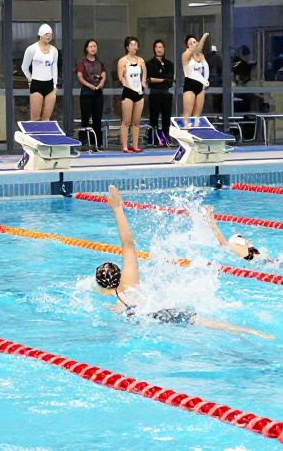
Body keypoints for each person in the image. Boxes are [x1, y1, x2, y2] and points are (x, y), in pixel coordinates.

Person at [91, 186, 273, 338]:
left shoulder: (114, 303)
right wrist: (117, 208)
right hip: (164, 308)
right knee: (203, 322)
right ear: (120, 274)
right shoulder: (130, 282)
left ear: (101, 286)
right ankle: (249, 331)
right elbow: (128, 244)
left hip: (148, 317)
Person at [21, 24, 59, 122]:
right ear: (40, 35)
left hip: (50, 85)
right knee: (35, 118)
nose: (49, 36)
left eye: (50, 34)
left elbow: (54, 67)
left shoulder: (54, 50)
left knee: (46, 119)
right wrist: (30, 78)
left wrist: (55, 85)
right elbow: (24, 67)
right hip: (36, 85)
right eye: (46, 34)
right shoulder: (32, 49)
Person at [76, 38, 107, 152]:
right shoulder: (82, 62)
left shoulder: (100, 63)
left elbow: (103, 76)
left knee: (97, 118)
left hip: (98, 93)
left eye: (94, 46)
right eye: (90, 46)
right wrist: (90, 86)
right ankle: (83, 142)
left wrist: (101, 84)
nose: (93, 48)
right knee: (85, 118)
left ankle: (97, 143)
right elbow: (80, 77)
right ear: (86, 49)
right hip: (86, 93)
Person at [117, 36, 146, 153]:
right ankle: (125, 146)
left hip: (139, 92)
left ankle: (135, 146)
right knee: (126, 121)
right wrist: (128, 86)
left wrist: (143, 82)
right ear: (127, 47)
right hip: (128, 92)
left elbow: (144, 73)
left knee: (136, 121)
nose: (134, 46)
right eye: (132, 44)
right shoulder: (122, 61)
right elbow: (121, 77)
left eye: (136, 44)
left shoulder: (141, 60)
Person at [146, 39, 174, 147]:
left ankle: (165, 139)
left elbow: (170, 81)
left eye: (161, 47)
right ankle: (154, 140)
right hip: (154, 93)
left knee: (166, 118)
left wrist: (158, 79)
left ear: (164, 49)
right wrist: (164, 79)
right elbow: (150, 79)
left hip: (166, 93)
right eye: (157, 47)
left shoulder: (169, 64)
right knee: (154, 118)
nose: (159, 49)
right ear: (154, 49)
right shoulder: (149, 63)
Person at [181, 32, 210, 122]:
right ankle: (185, 130)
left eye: (194, 42)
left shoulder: (201, 56)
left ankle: (195, 130)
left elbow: (206, 70)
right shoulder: (186, 54)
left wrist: (205, 81)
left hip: (201, 87)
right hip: (190, 86)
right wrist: (204, 38)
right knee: (187, 116)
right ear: (187, 46)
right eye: (190, 43)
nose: (193, 44)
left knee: (197, 117)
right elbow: (196, 50)